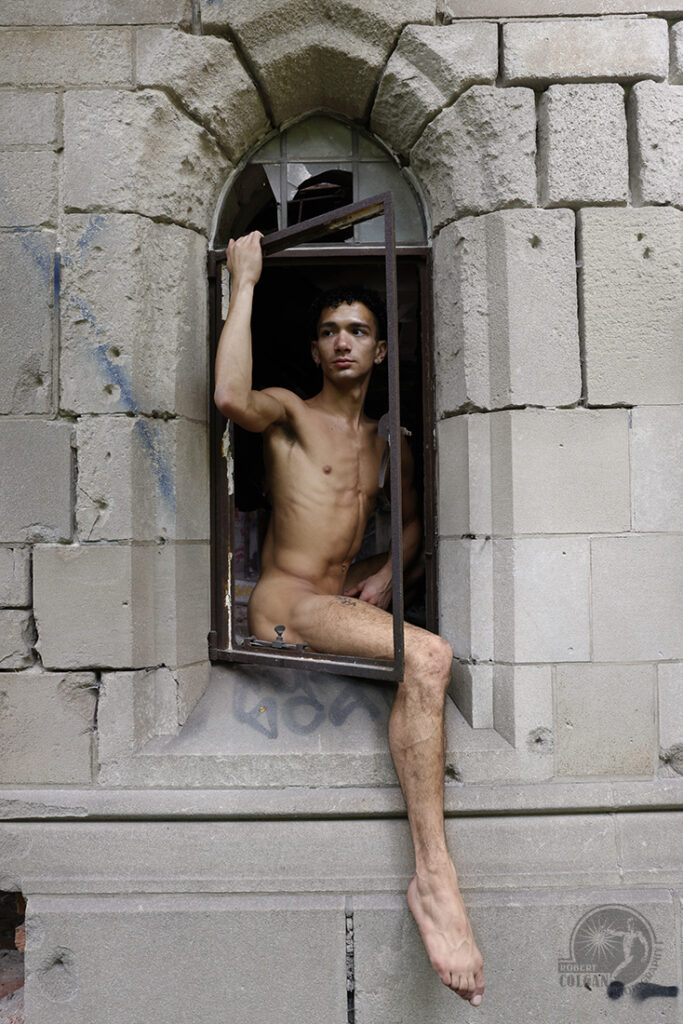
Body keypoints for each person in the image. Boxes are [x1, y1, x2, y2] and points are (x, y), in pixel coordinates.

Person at [214, 230, 485, 1007]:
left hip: (332, 604)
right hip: (283, 605)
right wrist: (245, 281)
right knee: (428, 658)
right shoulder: (294, 414)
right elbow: (232, 399)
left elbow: (410, 528)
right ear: (313, 348)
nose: (342, 341)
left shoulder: (386, 443)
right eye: (330, 330)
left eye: (357, 330)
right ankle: (435, 880)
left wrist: (386, 572)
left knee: (422, 656)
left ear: (378, 349)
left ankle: (435, 879)